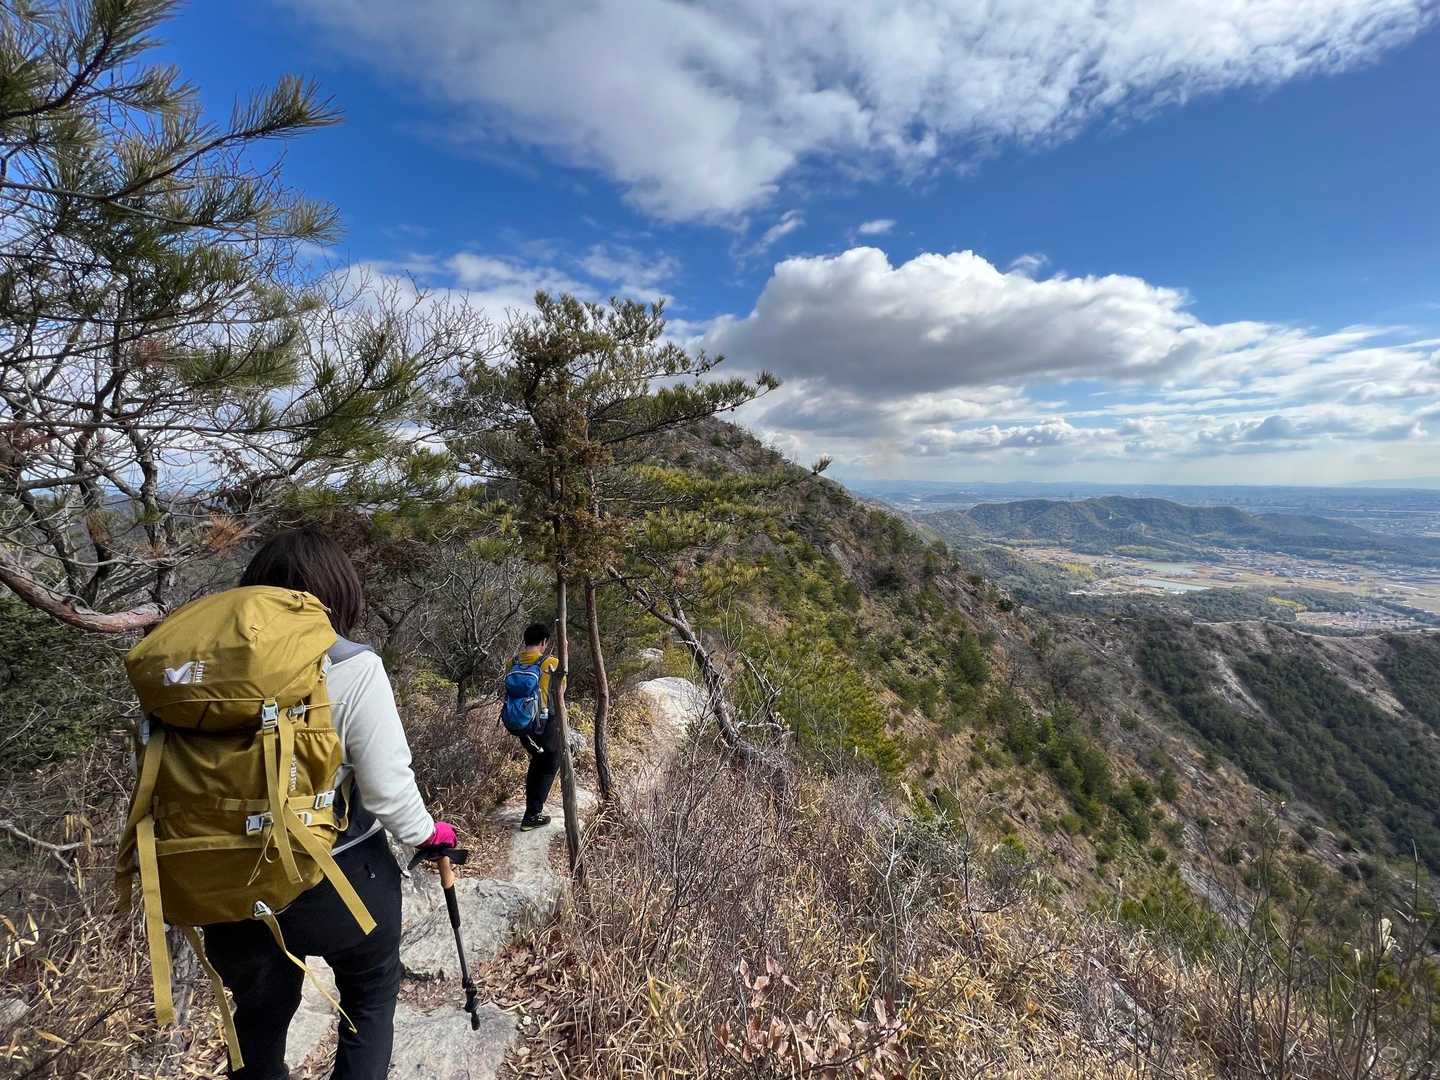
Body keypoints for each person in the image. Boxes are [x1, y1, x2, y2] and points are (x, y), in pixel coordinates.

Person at [201, 528, 455, 1080]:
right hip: (332, 881)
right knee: (369, 996)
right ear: (336, 594)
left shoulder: (195, 669)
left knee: (260, 1011)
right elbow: (387, 789)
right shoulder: (350, 664)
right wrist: (429, 834)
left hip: (223, 884)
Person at [511, 621, 563, 831]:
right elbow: (560, 692)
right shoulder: (551, 662)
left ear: (525, 641)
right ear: (544, 642)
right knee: (550, 763)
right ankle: (532, 814)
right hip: (544, 723)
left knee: (537, 761)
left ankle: (532, 810)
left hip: (521, 722)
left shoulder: (513, 662)